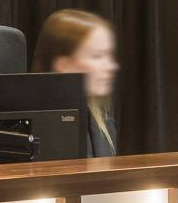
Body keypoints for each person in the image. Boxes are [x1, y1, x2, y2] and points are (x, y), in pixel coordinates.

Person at [32, 9, 119, 157]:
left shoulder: (102, 119)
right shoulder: (40, 133)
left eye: (109, 55)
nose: (112, 66)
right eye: (97, 56)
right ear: (63, 64)